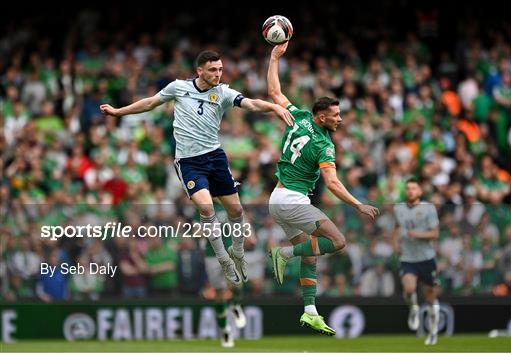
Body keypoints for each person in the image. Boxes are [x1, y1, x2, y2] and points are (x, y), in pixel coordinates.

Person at [100, 50, 294, 285]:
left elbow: (250, 103)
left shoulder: (222, 92)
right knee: (206, 208)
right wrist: (118, 111)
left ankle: (238, 253)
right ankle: (223, 259)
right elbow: (150, 102)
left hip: (215, 157)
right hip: (189, 162)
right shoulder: (178, 87)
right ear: (199, 70)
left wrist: (274, 107)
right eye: (213, 70)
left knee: (236, 212)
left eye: (220, 69)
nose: (218, 74)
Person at [266, 42, 379, 336]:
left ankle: (310, 311)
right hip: (292, 200)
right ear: (321, 117)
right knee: (338, 241)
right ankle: (284, 255)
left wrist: (274, 58)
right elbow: (332, 183)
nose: (340, 119)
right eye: (335, 115)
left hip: (276, 199)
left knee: (312, 253)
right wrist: (358, 204)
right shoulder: (323, 144)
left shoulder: (300, 117)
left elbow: (275, 93)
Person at [392, 178, 440, 345]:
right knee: (409, 288)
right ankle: (413, 308)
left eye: (414, 188)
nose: (411, 191)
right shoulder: (398, 208)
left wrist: (417, 235)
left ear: (420, 192)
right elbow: (397, 227)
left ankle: (433, 332)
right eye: (408, 188)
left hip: (426, 258)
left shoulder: (428, 208)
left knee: (431, 298)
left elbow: (434, 233)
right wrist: (395, 243)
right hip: (408, 258)